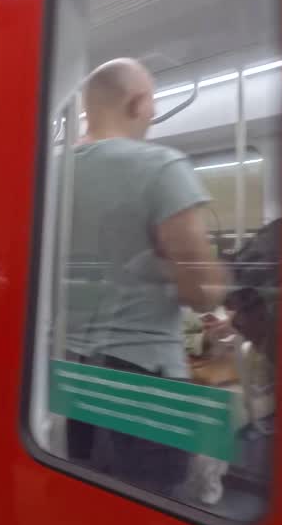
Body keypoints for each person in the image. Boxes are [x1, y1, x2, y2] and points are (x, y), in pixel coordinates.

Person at [62, 58, 229, 494]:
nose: (154, 112)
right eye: (152, 102)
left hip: (70, 370)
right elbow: (203, 291)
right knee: (149, 510)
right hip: (145, 379)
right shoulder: (161, 166)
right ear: (137, 103)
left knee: (84, 497)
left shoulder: (52, 173)